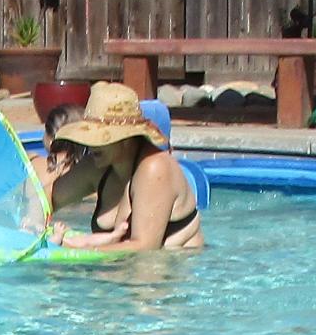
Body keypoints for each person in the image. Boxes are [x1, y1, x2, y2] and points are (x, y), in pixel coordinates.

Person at [47, 82, 204, 251]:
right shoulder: (98, 164)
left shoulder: (155, 168)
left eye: (101, 137)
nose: (91, 145)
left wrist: (73, 248)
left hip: (173, 265)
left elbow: (144, 249)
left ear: (126, 139)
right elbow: (46, 198)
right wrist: (33, 224)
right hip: (119, 266)